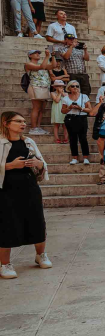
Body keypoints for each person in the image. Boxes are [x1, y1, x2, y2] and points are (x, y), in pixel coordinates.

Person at [0, 111, 51, 279]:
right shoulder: (0, 143)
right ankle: (5, 264)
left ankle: (40, 255)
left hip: (29, 187)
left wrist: (39, 164)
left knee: (37, 221)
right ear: (6, 123)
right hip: (6, 190)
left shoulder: (28, 142)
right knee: (7, 225)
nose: (23, 124)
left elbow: (42, 164)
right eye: (18, 121)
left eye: (24, 121)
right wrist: (10, 166)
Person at [24, 50, 54, 135]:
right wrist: (47, 56)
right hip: (35, 87)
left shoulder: (42, 64)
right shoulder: (28, 64)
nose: (38, 54)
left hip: (44, 88)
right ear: (30, 55)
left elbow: (53, 66)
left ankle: (38, 127)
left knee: (41, 109)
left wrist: (53, 56)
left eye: (39, 53)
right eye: (35, 53)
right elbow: (42, 67)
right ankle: (33, 128)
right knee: (36, 108)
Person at [61, 82, 92, 164]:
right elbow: (63, 111)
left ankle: (85, 157)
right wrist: (69, 107)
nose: (75, 87)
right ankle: (75, 157)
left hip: (81, 117)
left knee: (83, 138)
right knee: (72, 138)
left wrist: (80, 108)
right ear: (69, 88)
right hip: (70, 118)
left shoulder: (84, 96)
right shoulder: (66, 98)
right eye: (73, 86)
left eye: (77, 86)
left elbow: (90, 109)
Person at [55, 34, 91, 98]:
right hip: (72, 73)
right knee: (72, 91)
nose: (72, 40)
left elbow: (87, 58)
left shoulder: (80, 49)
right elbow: (66, 57)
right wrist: (71, 47)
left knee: (86, 91)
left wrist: (85, 50)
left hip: (83, 73)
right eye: (70, 39)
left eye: (73, 39)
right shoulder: (62, 49)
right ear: (66, 40)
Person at [49, 79, 68, 144]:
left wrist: (62, 93)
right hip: (56, 109)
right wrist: (59, 93)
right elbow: (57, 100)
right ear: (55, 87)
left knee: (65, 125)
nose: (60, 87)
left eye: (62, 86)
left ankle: (66, 138)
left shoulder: (66, 94)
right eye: (58, 86)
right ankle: (57, 138)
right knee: (56, 125)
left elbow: (67, 99)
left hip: (64, 109)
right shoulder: (52, 93)